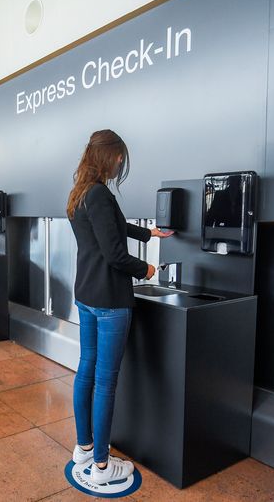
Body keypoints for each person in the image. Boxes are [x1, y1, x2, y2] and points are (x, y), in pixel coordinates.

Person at [66, 129, 173, 484]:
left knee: (86, 371)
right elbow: (114, 255)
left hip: (85, 296)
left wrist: (148, 234)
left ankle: (83, 447)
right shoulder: (98, 194)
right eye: (118, 157)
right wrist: (146, 269)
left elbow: (109, 228)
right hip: (110, 300)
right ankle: (100, 466)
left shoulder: (81, 193)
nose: (121, 162)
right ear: (106, 156)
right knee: (105, 382)